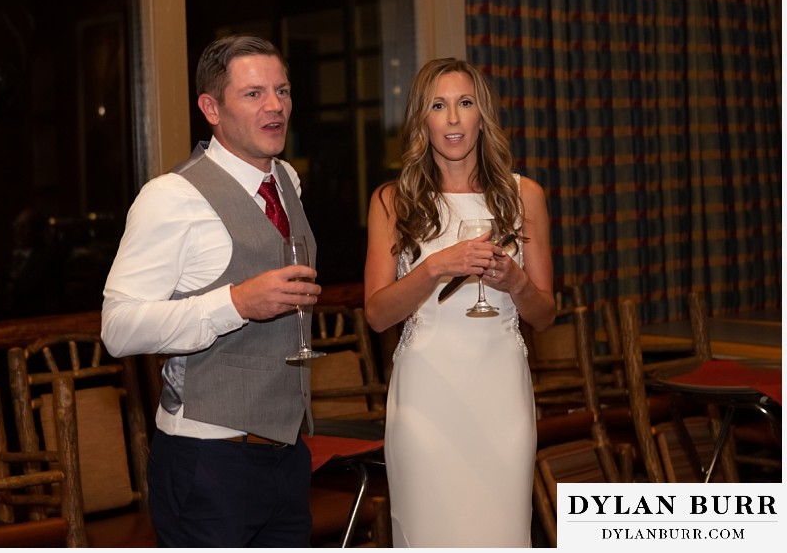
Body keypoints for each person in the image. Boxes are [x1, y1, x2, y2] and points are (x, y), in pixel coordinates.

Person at [101, 34, 322, 547]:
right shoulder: (170, 198)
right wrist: (236, 303)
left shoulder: (286, 180)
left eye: (283, 91)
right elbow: (118, 328)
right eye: (253, 94)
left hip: (288, 454)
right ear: (211, 108)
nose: (275, 106)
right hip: (210, 461)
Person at [364, 58, 556, 547]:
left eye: (464, 104)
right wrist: (433, 267)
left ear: (481, 115)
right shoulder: (393, 201)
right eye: (438, 105)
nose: (452, 119)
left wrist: (514, 281)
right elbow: (378, 314)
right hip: (426, 399)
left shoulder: (523, 195)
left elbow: (546, 315)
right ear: (422, 120)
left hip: (502, 398)